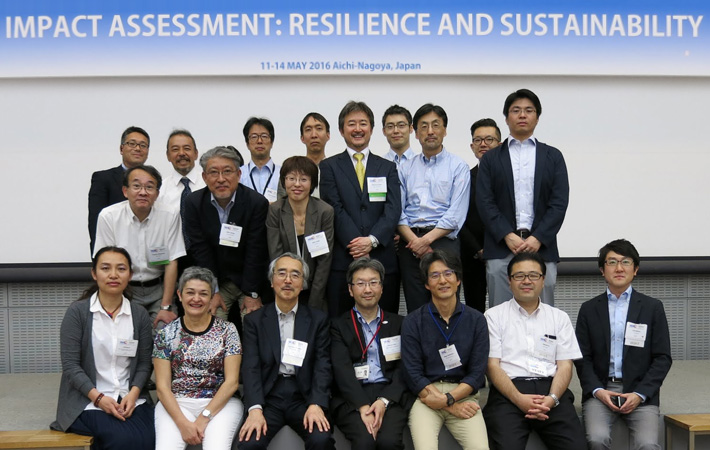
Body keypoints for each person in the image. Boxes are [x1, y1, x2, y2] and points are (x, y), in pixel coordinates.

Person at [51, 246, 154, 450]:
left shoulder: (139, 314)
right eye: (106, 268)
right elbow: (71, 367)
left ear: (130, 275)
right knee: (122, 440)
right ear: (94, 273)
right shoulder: (77, 313)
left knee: (152, 437)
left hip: (130, 398)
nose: (113, 275)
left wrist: (133, 394)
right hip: (87, 400)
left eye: (121, 269)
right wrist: (99, 398)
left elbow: (144, 363)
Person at [575, 239, 672, 450]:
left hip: (640, 391)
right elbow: (583, 358)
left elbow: (662, 357)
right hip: (601, 390)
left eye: (626, 262)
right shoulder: (588, 309)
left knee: (648, 445)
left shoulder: (652, 307)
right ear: (602, 270)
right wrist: (599, 391)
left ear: (635, 269)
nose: (619, 268)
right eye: (612, 262)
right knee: (596, 439)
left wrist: (639, 394)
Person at [483, 252, 586, 450]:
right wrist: (519, 399)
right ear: (509, 281)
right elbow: (492, 366)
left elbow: (565, 366)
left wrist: (552, 399)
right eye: (519, 276)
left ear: (543, 280)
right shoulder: (493, 316)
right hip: (509, 394)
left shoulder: (559, 317)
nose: (526, 281)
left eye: (533, 275)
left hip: (551, 391)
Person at [476, 89, 569, 307]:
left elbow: (559, 203)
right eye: (516, 110)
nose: (522, 115)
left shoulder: (553, 156)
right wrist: (507, 236)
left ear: (537, 117)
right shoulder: (490, 159)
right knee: (500, 316)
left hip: (542, 247)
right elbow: (485, 202)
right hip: (501, 247)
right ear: (507, 117)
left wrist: (537, 238)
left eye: (529, 110)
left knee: (544, 316)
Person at [238, 253, 335, 450]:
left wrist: (316, 403)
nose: (288, 280)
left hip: (303, 395)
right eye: (281, 273)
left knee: (321, 439)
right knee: (250, 443)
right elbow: (251, 366)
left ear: (303, 284)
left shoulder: (318, 320)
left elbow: (322, 364)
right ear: (272, 281)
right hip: (268, 396)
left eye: (295, 275)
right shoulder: (254, 321)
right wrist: (255, 408)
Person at [320, 101, 401, 316]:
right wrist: (357, 244)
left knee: (386, 324)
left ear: (372, 129)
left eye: (363, 123)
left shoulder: (388, 167)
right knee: (342, 326)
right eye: (351, 124)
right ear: (341, 130)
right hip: (345, 259)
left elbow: (393, 209)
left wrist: (372, 241)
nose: (357, 129)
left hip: (382, 257)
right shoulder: (329, 167)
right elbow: (333, 208)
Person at [401, 250, 489, 450]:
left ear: (458, 280)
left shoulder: (476, 320)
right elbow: (413, 373)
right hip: (425, 397)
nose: (442, 280)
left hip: (463, 395)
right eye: (435, 275)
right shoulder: (413, 321)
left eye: (448, 273)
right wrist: (447, 403)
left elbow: (477, 373)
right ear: (426, 284)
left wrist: (450, 399)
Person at [153, 267, 243, 450]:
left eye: (203, 294)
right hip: (176, 402)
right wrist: (182, 423)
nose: (196, 299)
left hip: (220, 403)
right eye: (190, 292)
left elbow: (232, 382)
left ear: (212, 298)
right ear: (179, 295)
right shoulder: (165, 334)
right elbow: (162, 387)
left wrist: (204, 417)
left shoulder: (228, 330)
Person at [183, 146, 269, 335]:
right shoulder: (193, 203)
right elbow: (200, 249)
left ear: (238, 174)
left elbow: (256, 250)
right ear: (205, 177)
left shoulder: (256, 203)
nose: (221, 179)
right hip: (217, 280)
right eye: (214, 173)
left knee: (254, 325)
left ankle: (250, 365)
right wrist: (212, 290)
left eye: (227, 171)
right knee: (211, 325)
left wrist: (252, 293)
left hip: (249, 279)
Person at [330, 258, 414, 450]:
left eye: (373, 282)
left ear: (382, 288)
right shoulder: (337, 326)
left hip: (390, 394)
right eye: (360, 283)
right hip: (352, 396)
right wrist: (362, 406)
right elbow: (341, 370)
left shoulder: (399, 323)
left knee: (389, 442)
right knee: (364, 442)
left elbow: (405, 368)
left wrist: (384, 401)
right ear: (350, 290)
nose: (367, 289)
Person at [398, 104, 470, 313]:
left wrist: (426, 242)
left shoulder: (458, 166)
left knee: (447, 306)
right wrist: (415, 242)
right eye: (424, 126)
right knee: (416, 307)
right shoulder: (405, 167)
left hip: (444, 243)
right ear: (416, 131)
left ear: (444, 130)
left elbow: (455, 215)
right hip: (410, 244)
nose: (430, 131)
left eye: (435, 125)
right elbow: (398, 212)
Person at [94, 165, 185, 327]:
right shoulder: (108, 216)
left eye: (149, 187)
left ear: (157, 194)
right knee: (128, 339)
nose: (143, 192)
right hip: (125, 290)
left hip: (159, 290)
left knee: (164, 335)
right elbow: (106, 263)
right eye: (136, 186)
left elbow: (172, 261)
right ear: (125, 191)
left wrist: (165, 306)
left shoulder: (169, 215)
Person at [266, 156, 334, 310]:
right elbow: (275, 255)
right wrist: (286, 289)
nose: (297, 184)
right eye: (291, 178)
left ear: (312, 183)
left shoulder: (325, 211)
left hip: (316, 287)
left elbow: (325, 260)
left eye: (303, 179)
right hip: (285, 286)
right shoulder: (275, 210)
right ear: (284, 181)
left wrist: (315, 300)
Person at [460, 118, 501, 313]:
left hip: (504, 252)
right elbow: (459, 218)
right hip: (472, 255)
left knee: (503, 311)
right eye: (478, 140)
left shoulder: (509, 180)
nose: (483, 144)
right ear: (472, 146)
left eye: (489, 139)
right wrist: (478, 249)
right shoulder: (464, 178)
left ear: (500, 144)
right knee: (474, 310)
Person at [88, 126, 150, 253]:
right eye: (132, 144)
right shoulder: (103, 178)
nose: (138, 148)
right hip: (115, 256)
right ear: (121, 149)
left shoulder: (153, 181)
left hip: (148, 255)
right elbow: (96, 223)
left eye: (143, 145)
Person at [277, 112, 331, 199]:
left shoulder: (336, 170)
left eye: (319, 128)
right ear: (302, 138)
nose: (314, 135)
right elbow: (281, 205)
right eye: (308, 130)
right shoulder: (290, 169)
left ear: (328, 135)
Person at [239, 117, 281, 203]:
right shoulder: (238, 175)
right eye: (254, 137)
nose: (259, 141)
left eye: (264, 136)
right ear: (247, 143)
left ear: (272, 142)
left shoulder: (283, 173)